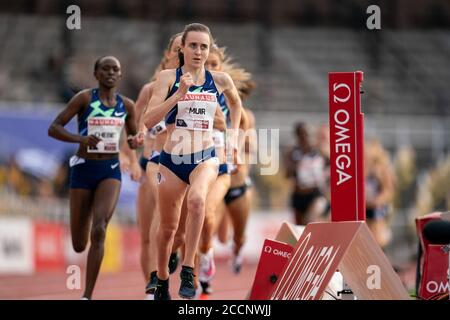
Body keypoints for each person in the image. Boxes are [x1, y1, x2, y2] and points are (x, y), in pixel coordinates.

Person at [143, 23, 242, 300]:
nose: (199, 51)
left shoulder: (220, 80)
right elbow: (149, 120)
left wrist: (233, 137)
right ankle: (161, 279)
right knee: (168, 228)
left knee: (198, 201)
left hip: (205, 157)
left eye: (204, 46)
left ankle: (188, 269)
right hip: (172, 161)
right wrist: (178, 95)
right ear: (182, 49)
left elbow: (236, 105)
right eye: (193, 45)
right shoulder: (167, 78)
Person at [48, 56, 141, 299]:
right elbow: (54, 127)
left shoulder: (127, 105)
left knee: (99, 229)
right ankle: (85, 216)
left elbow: (133, 138)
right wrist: (81, 139)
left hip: (109, 171)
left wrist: (135, 142)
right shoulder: (85, 99)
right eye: (105, 69)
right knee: (79, 244)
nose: (111, 73)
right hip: (83, 169)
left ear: (120, 75)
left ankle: (87, 295)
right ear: (96, 74)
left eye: (115, 70)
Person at [122, 33, 184, 297]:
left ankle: (167, 266)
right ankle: (153, 290)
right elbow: (131, 131)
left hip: (183, 165)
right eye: (178, 49)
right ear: (167, 55)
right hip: (153, 162)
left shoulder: (198, 89)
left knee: (175, 235)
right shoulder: (150, 90)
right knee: (148, 232)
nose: (182, 53)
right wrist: (131, 159)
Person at [284, 122, 327, 226]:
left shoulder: (319, 151)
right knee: (300, 229)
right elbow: (287, 175)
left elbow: (333, 167)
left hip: (316, 194)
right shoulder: (292, 152)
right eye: (301, 134)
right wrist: (300, 164)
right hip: (298, 195)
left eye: (307, 134)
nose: (304, 137)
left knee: (309, 220)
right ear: (297, 136)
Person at [365, 138, 395, 249]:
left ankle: (380, 250)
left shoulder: (382, 170)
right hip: (365, 206)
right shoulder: (364, 169)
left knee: (376, 234)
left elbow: (388, 191)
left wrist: (376, 201)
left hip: (377, 207)